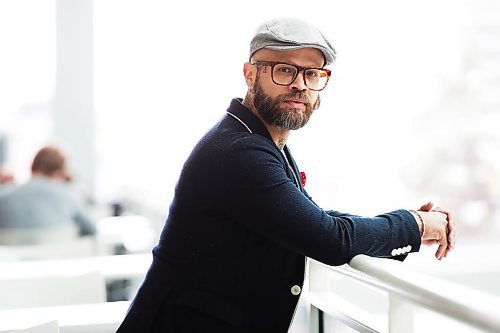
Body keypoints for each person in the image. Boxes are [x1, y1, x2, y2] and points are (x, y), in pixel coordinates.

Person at [117, 18, 456, 332]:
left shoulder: (260, 142)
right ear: (250, 74)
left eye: (312, 74)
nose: (299, 85)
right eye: (284, 70)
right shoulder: (239, 153)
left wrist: (410, 226)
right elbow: (329, 238)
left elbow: (313, 220)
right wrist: (416, 224)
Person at [0, 146, 96, 245]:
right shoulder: (68, 195)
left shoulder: (3, 196)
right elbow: (92, 229)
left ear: (32, 167)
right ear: (59, 173)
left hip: (10, 259)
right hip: (57, 258)